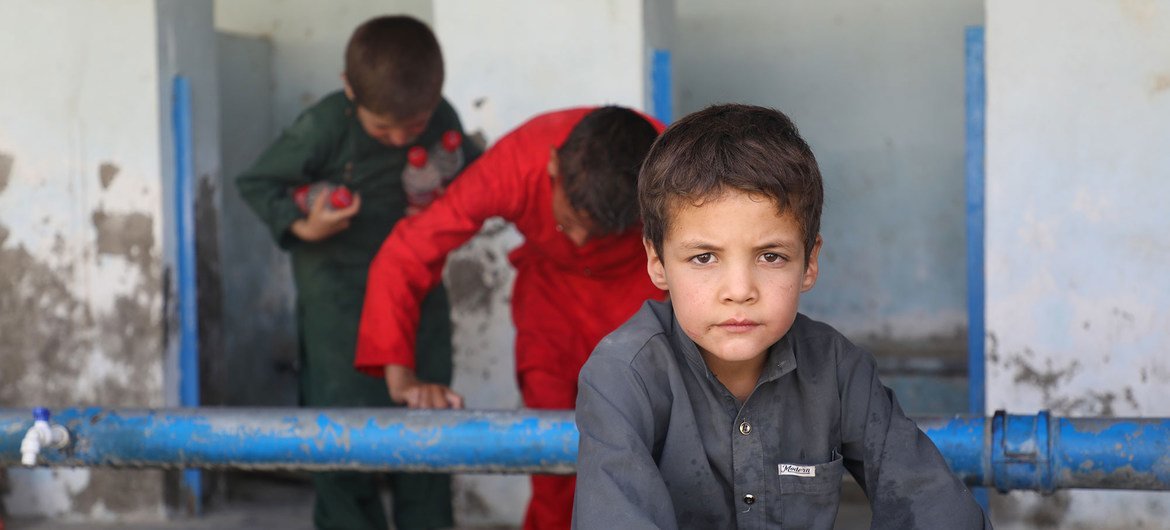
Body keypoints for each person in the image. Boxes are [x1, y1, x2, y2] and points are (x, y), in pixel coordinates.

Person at [573, 104, 992, 529]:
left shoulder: (836, 368)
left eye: (771, 256)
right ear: (657, 261)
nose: (739, 290)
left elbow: (932, 503)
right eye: (704, 257)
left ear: (809, 263)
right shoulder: (623, 376)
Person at [355, 106, 666, 529]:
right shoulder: (517, 163)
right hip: (550, 308)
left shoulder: (673, 168)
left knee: (651, 455)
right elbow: (408, 251)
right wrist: (400, 375)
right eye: (571, 221)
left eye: (597, 231)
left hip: (643, 301)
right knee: (553, 464)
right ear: (552, 166)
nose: (577, 240)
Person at [236, 15, 479, 530]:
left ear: (436, 95)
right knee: (339, 440)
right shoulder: (325, 124)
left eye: (410, 127)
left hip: (419, 303)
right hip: (338, 306)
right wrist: (305, 226)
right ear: (349, 90)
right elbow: (259, 182)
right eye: (380, 128)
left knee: (429, 434)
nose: (396, 139)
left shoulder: (444, 120)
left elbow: (472, 178)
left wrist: (445, 196)